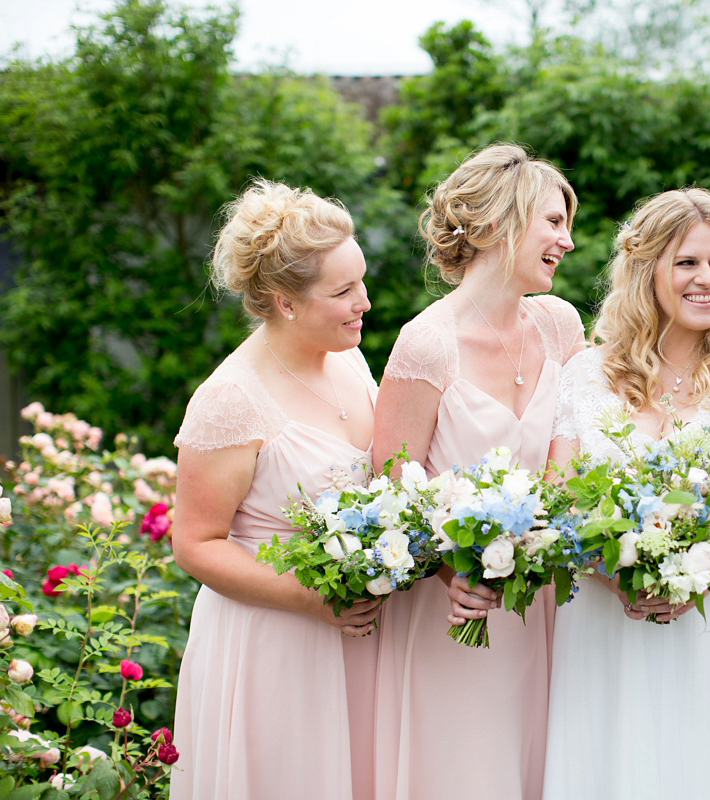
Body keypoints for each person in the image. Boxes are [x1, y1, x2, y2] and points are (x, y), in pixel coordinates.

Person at [542, 188, 710, 800]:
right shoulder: (586, 374)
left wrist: (696, 578)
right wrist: (617, 575)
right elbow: (559, 503)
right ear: (647, 269)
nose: (707, 279)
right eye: (687, 262)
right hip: (609, 619)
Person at [371, 143, 584, 800]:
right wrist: (457, 574)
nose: (568, 242)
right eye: (553, 222)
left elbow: (574, 464)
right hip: (455, 612)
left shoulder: (560, 326)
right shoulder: (427, 343)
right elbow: (391, 488)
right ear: (495, 225)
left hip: (546, 606)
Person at [170, 180, 381, 800]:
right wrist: (311, 600)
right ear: (285, 302)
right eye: (343, 292)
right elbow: (197, 543)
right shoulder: (230, 400)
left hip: (358, 635)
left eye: (361, 281)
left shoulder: (348, 359)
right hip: (276, 642)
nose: (364, 302)